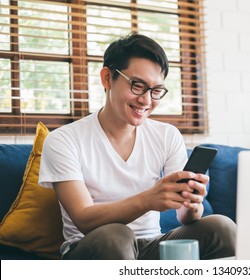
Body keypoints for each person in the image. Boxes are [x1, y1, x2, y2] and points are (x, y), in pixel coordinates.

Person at [39, 33, 236, 260]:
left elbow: (185, 217)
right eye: (137, 85)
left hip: (151, 244)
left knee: (222, 227)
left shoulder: (167, 135)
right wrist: (147, 199)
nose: (146, 100)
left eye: (155, 91)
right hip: (92, 246)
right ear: (107, 78)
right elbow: (83, 219)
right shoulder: (64, 140)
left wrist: (191, 204)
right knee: (116, 235)